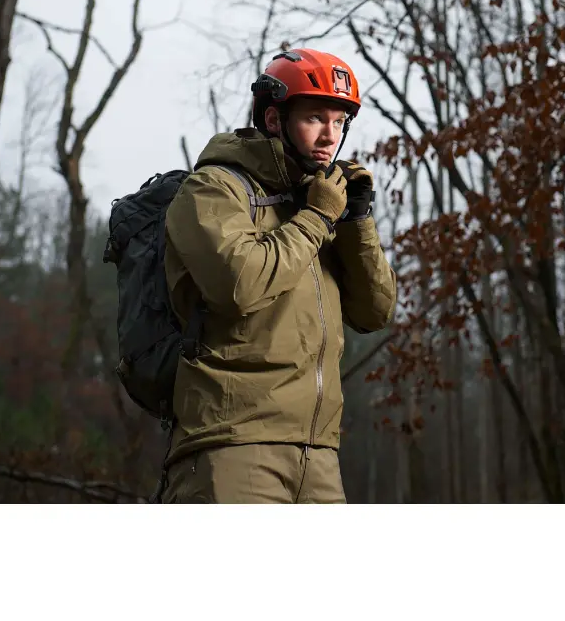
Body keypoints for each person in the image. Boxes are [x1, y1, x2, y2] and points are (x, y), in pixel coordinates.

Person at [159, 48, 397, 503]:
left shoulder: (317, 200)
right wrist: (317, 218)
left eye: (340, 121)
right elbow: (239, 285)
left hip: (320, 452)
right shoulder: (215, 188)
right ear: (274, 119)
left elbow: (375, 311)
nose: (330, 135)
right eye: (315, 118)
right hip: (232, 444)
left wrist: (355, 220)